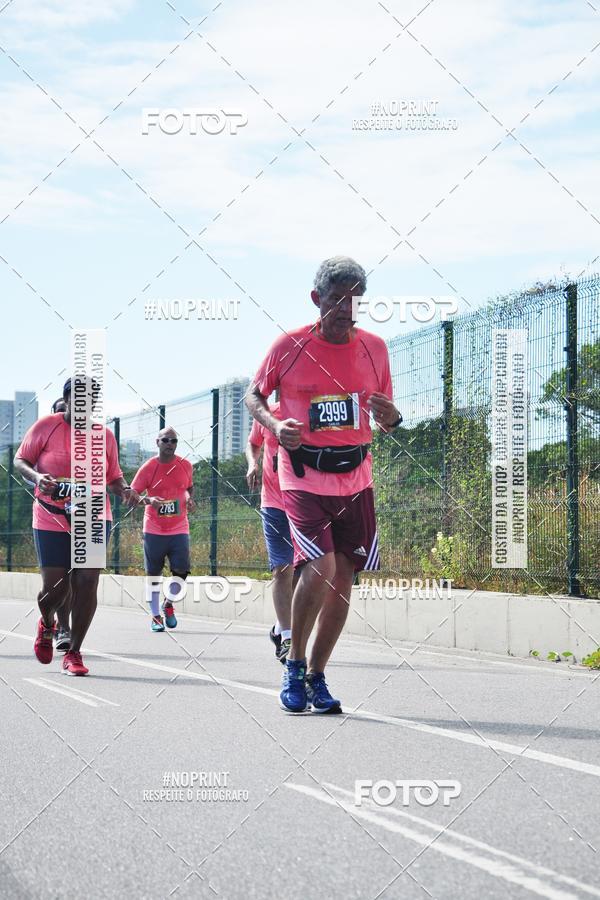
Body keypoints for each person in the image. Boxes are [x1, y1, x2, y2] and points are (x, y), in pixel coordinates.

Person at [246, 256, 402, 714]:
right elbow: (254, 394)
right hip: (302, 475)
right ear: (318, 299)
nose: (346, 308)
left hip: (356, 477)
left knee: (344, 580)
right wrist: (274, 426)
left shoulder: (375, 348)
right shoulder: (289, 345)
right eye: (337, 299)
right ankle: (293, 666)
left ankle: (317, 676)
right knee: (319, 566)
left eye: (355, 299)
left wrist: (391, 417)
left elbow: (389, 417)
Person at [14, 378, 139, 675]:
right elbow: (21, 460)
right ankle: (47, 623)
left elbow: (114, 475)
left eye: (90, 399)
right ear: (67, 399)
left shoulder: (104, 436)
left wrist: (124, 489)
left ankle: (74, 652)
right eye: (78, 398)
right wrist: (37, 477)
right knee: (55, 587)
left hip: (93, 515)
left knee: (86, 581)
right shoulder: (47, 426)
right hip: (51, 516)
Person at [131, 426, 194, 632]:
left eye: (174, 441)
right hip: (154, 528)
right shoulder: (148, 467)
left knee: (182, 571)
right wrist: (149, 500)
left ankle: (168, 603)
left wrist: (189, 499)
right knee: (154, 575)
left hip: (179, 527)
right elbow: (131, 496)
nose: (170, 444)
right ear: (157, 442)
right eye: (166, 440)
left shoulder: (185, 465)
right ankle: (155, 616)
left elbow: (187, 488)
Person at [246, 399, 294, 663]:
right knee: (282, 568)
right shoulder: (266, 412)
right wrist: (253, 464)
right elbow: (253, 443)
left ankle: (278, 629)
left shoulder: (311, 404)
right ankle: (288, 637)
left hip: (308, 501)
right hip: (274, 502)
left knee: (304, 574)